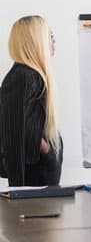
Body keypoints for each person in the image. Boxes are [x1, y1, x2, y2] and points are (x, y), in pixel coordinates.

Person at [0, 15, 63, 186]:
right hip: (33, 177)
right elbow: (13, 132)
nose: (54, 41)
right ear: (36, 41)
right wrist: (46, 150)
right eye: (49, 36)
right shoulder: (23, 77)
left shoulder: (32, 76)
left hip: (40, 173)